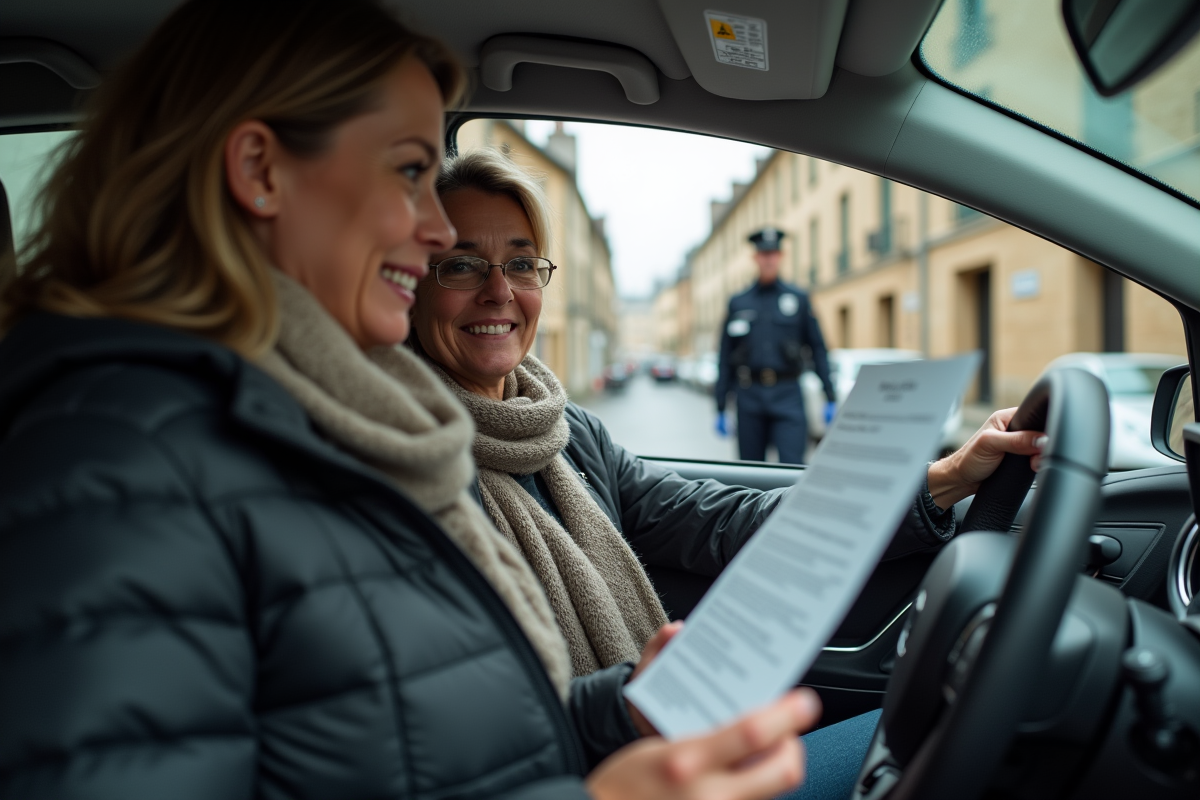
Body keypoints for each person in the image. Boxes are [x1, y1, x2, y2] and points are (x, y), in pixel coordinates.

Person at [0, 2, 826, 798]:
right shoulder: (117, 454)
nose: (435, 233)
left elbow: (429, 736)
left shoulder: (354, 421)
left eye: (520, 261)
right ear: (259, 171)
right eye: (409, 172)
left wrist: (619, 709)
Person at [408, 149, 1047, 799]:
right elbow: (444, 737)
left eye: (521, 263)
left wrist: (949, 475)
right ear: (410, 280)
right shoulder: (406, 472)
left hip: (671, 755)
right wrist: (627, 704)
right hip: (599, 778)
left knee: (937, 725)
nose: (499, 290)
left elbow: (721, 521)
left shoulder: (572, 434)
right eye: (461, 264)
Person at [715, 226, 834, 463]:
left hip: (788, 394)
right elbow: (725, 355)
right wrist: (720, 405)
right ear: (755, 257)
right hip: (749, 395)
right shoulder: (739, 302)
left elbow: (818, 348)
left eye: (773, 254)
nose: (768, 259)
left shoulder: (798, 298)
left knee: (792, 470)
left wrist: (829, 395)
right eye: (763, 254)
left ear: (780, 256)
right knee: (751, 473)